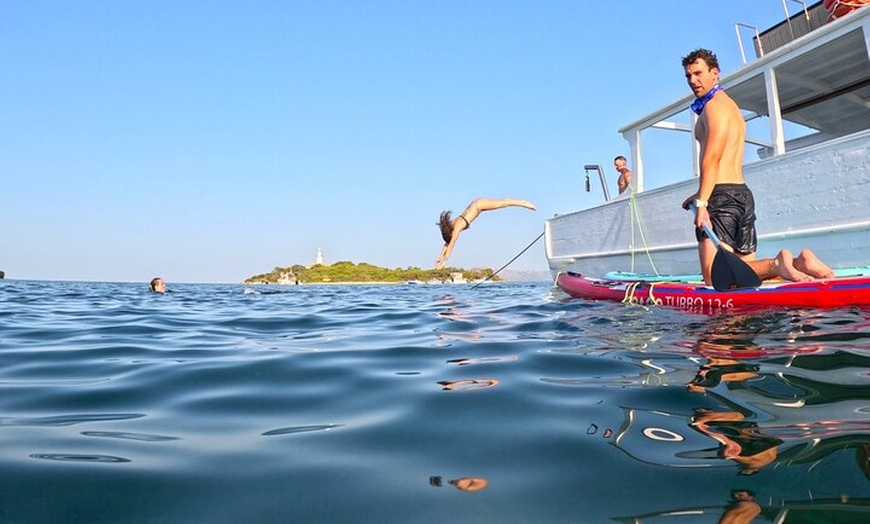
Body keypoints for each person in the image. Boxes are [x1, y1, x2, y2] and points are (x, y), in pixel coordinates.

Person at [678, 48, 834, 286]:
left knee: (713, 278)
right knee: (744, 280)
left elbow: (713, 158)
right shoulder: (731, 107)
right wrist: (700, 194)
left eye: (698, 73)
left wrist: (702, 203)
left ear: (715, 73)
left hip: (721, 199)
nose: (693, 80)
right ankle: (800, 263)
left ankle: (777, 263)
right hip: (741, 195)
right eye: (688, 76)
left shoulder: (714, 107)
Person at [435, 198, 536, 269]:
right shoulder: (452, 226)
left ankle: (523, 202)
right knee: (503, 202)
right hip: (476, 204)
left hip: (478, 205)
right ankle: (522, 202)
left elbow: (452, 242)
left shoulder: (457, 226)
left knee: (502, 203)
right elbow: (447, 243)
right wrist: (440, 256)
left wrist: (444, 261)